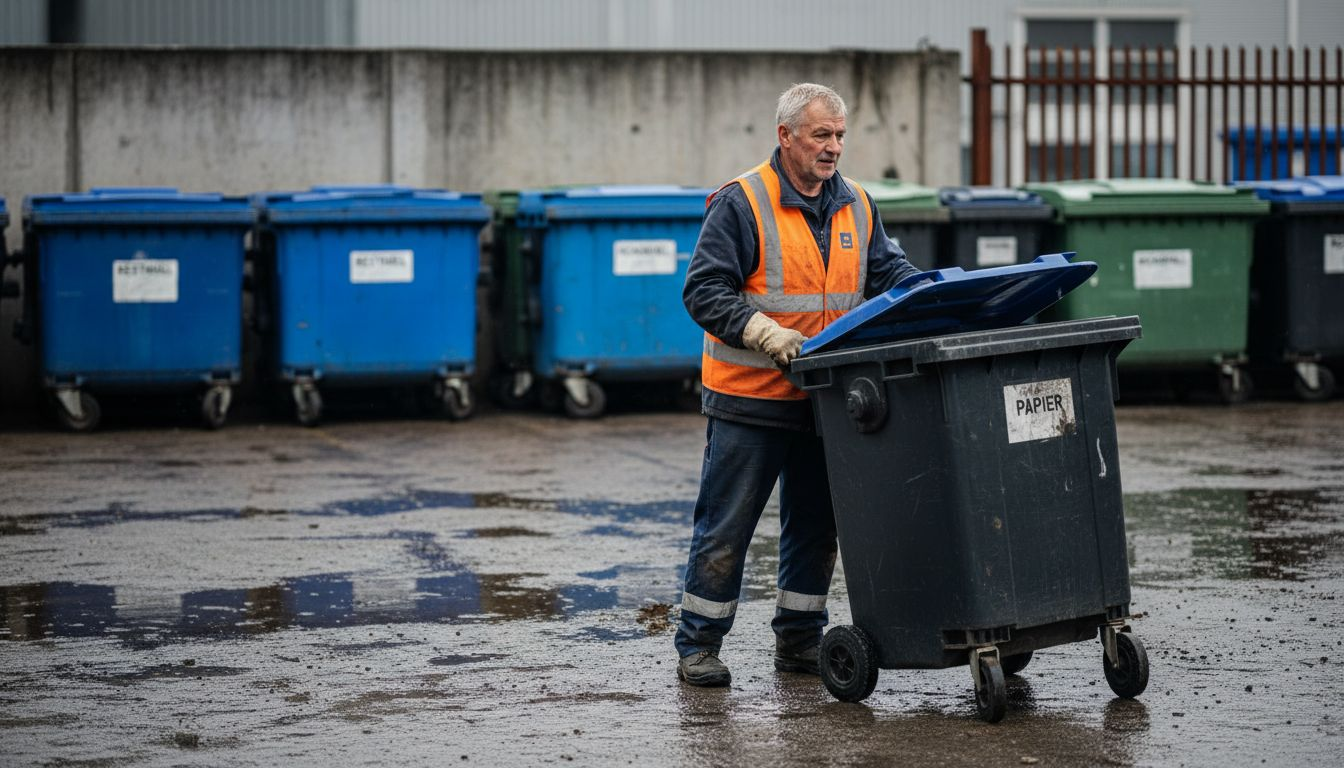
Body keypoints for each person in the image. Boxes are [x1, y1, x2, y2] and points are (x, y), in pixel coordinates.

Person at [675, 82, 922, 687]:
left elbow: (889, 274)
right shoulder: (742, 203)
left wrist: (932, 294)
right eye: (821, 135)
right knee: (727, 527)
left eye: (840, 135)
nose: (833, 146)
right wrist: (763, 331)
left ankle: (799, 642)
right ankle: (699, 646)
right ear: (785, 136)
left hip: (829, 402)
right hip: (750, 400)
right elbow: (703, 290)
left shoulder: (858, 204)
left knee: (816, 527)